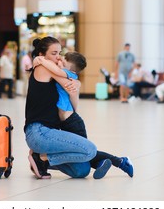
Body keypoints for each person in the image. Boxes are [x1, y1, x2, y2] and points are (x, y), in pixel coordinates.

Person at [33, 52, 134, 179]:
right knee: (77, 151)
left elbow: (56, 72)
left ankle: (121, 161)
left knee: (83, 150)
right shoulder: (63, 74)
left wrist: (40, 59)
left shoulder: (68, 75)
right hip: (64, 123)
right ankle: (100, 163)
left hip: (73, 122)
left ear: (71, 70)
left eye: (63, 63)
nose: (59, 62)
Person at [24, 36, 97, 179]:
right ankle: (41, 157)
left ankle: (42, 159)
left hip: (49, 132)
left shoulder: (53, 71)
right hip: (39, 132)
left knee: (82, 170)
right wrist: (74, 82)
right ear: (42, 55)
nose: (58, 57)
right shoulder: (43, 67)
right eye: (53, 53)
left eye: (59, 53)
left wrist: (77, 84)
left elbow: (73, 98)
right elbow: (69, 83)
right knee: (90, 150)